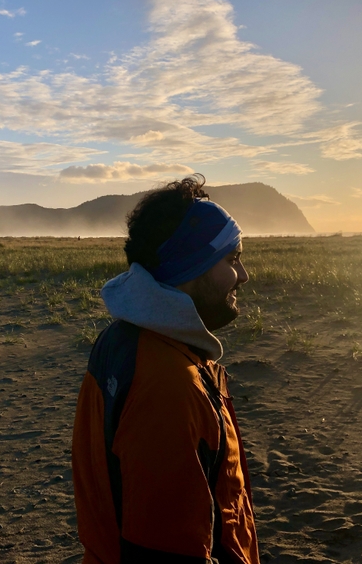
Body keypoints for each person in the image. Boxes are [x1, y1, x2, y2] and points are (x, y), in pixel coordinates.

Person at [71, 174, 260, 564]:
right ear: (191, 266)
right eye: (232, 259)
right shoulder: (168, 386)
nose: (243, 276)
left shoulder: (126, 338)